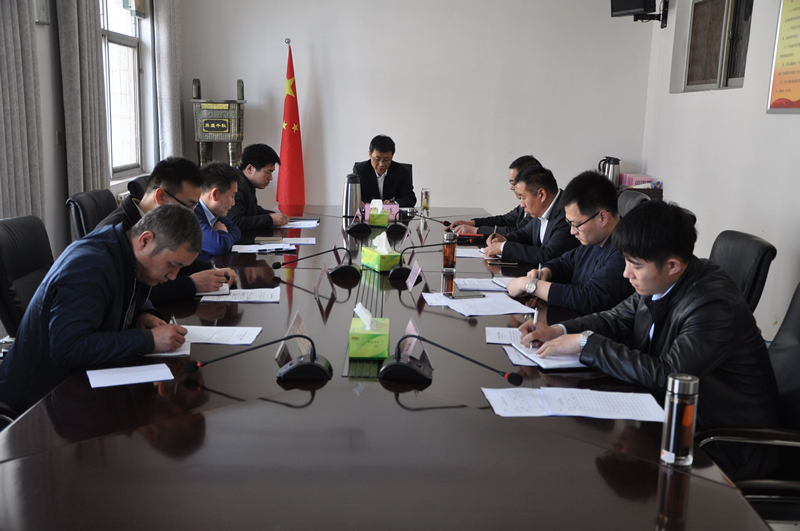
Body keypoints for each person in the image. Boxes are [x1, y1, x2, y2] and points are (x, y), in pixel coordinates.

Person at [519, 200, 780, 432]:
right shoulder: (662, 280)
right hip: (676, 415)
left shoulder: (713, 306)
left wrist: (586, 343)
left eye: (635, 265)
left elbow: (670, 376)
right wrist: (559, 330)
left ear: (672, 265)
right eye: (626, 261)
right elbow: (616, 318)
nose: (626, 273)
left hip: (724, 438)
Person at [0, 205, 202, 414]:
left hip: (81, 385)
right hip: (39, 403)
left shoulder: (128, 255)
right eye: (172, 265)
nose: (173, 276)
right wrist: (148, 340)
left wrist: (144, 315)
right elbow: (68, 348)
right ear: (145, 240)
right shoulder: (88, 267)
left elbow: (129, 296)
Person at [97, 157, 237, 304]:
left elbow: (173, 260)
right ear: (160, 196)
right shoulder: (118, 231)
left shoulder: (158, 222)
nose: (192, 213)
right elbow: (132, 292)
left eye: (194, 207)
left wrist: (213, 270)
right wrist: (192, 284)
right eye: (188, 206)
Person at [506, 171, 633, 314]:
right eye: (570, 223)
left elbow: (589, 297)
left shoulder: (626, 250)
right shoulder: (595, 239)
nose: (572, 231)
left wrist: (531, 285)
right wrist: (546, 273)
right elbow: (565, 262)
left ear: (602, 217)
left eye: (576, 224)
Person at [483, 165, 578, 265]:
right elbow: (525, 234)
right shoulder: (541, 209)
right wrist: (504, 240)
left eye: (523, 198)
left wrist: (503, 247)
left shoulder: (567, 214)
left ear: (541, 194)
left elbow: (548, 255)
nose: (522, 205)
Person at [450, 155, 541, 237]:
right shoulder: (523, 206)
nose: (511, 187)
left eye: (514, 183)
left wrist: (476, 230)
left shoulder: (536, 208)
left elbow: (516, 231)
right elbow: (504, 220)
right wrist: (472, 223)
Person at [228, 143, 290, 230]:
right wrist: (270, 220)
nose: (270, 178)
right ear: (250, 169)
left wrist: (272, 215)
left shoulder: (245, 181)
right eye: (268, 172)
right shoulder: (236, 185)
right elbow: (235, 222)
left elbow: (252, 210)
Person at [194, 162, 242, 261]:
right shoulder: (192, 215)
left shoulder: (215, 214)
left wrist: (222, 237)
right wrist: (222, 232)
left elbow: (236, 231)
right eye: (232, 196)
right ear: (215, 194)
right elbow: (220, 246)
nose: (233, 203)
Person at [353, 135, 416, 207]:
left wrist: (394, 203)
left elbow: (410, 198)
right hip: (368, 213)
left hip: (393, 213)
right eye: (377, 159)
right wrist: (358, 203)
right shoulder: (360, 170)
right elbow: (353, 197)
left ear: (392, 156)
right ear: (370, 154)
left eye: (386, 160)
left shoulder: (402, 172)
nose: (381, 164)